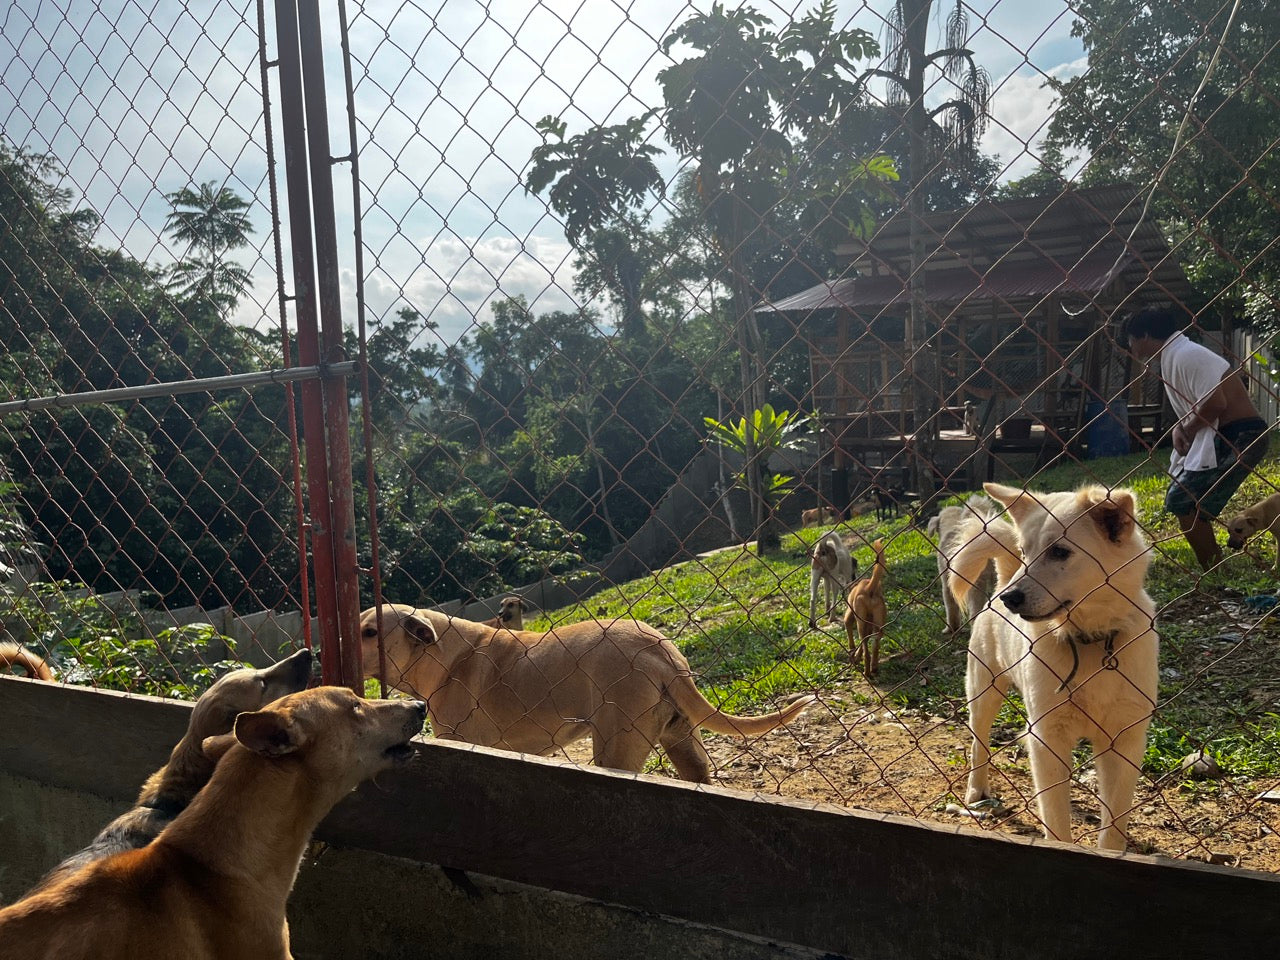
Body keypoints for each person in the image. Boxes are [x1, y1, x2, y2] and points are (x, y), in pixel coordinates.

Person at [1125, 307, 1271, 570]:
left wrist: (1187, 430)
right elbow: (1199, 406)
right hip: (1227, 436)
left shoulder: (1186, 355)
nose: (1130, 346)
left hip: (1242, 436)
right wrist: (1179, 429)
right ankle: (1214, 567)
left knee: (1183, 501)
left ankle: (1214, 568)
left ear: (1144, 335)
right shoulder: (1176, 355)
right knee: (1187, 503)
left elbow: (1216, 403)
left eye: (1130, 339)